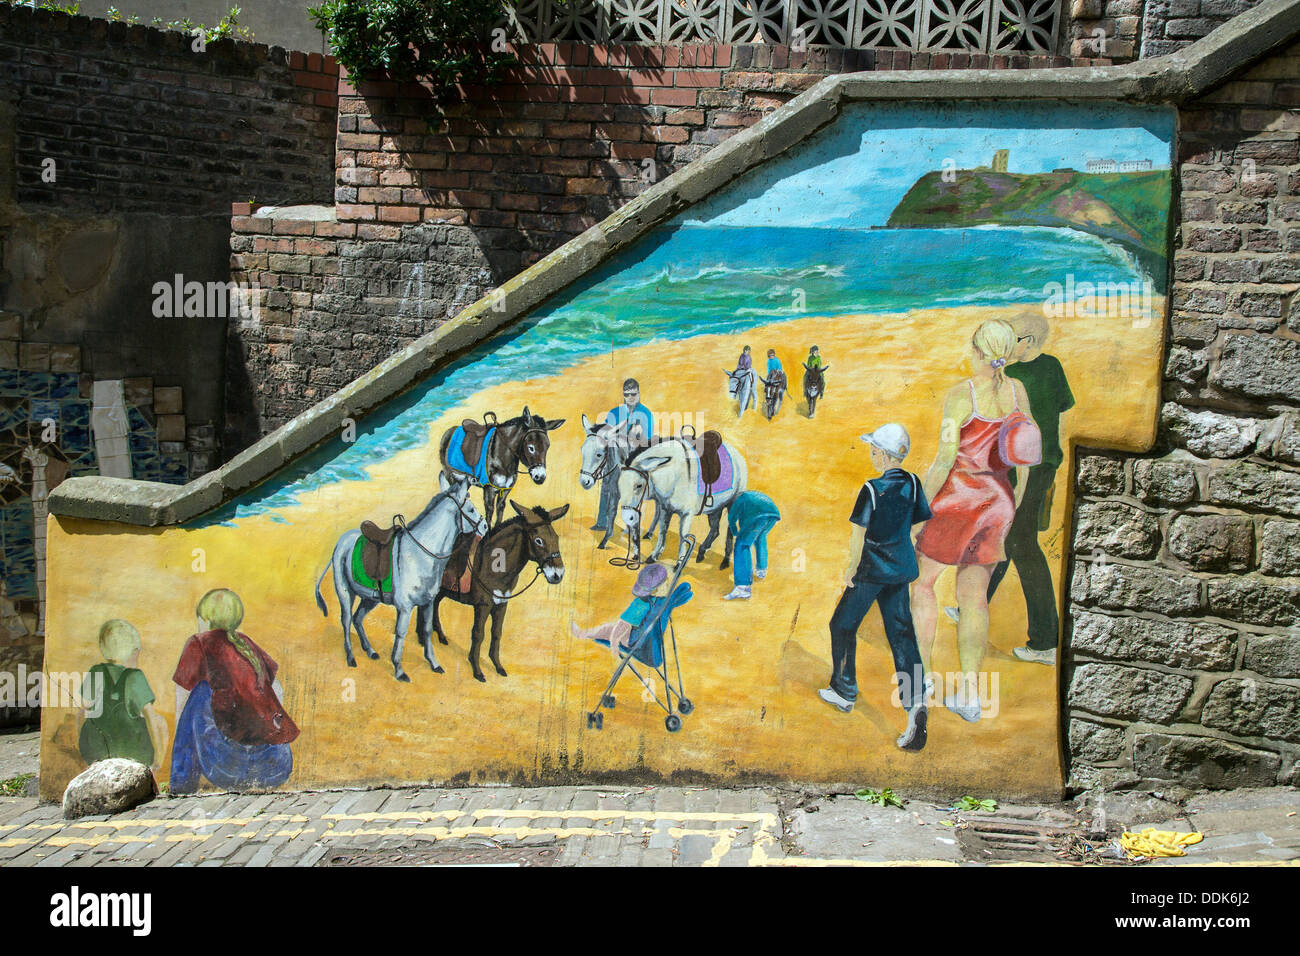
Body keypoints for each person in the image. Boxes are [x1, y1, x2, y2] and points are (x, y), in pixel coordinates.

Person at [911, 320, 1033, 723]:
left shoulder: (960, 396)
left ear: (979, 352)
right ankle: (969, 695)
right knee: (974, 599)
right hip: (999, 501)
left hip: (959, 501)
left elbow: (945, 460)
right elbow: (1027, 455)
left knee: (922, 583)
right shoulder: (1018, 393)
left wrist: (919, 508)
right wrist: (1015, 504)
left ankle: (922, 679)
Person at [946, 312, 1074, 666]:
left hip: (1034, 467)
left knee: (1021, 543)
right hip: (1029, 463)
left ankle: (1046, 639)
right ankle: (976, 600)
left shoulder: (1017, 378)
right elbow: (1060, 416)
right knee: (1007, 533)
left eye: (1013, 338)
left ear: (1029, 342)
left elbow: (1055, 419)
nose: (1007, 345)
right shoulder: (1048, 369)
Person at [818, 425, 932, 751]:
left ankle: (844, 690)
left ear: (883, 454)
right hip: (900, 569)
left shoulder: (870, 488)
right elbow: (919, 520)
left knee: (842, 624)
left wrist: (850, 569)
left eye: (873, 450)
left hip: (871, 570)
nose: (871, 455)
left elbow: (858, 535)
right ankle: (916, 704)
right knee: (902, 634)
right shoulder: (912, 483)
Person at [170, 588, 299, 794]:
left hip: (228, 768)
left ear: (205, 619)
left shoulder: (199, 643)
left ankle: (181, 786)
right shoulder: (245, 643)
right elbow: (276, 690)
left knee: (200, 693)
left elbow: (182, 705)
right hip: (275, 766)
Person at [77, 619, 167, 771]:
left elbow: (82, 710)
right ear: (132, 651)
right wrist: (157, 757)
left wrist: (84, 741)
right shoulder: (135, 677)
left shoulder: (95, 671)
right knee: (160, 721)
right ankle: (155, 766)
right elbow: (150, 717)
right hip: (133, 751)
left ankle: (89, 760)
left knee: (86, 714)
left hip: (96, 750)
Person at [571, 563, 670, 658]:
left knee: (607, 629)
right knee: (612, 629)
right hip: (650, 643)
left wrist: (614, 645)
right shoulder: (661, 602)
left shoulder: (640, 604)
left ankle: (582, 634)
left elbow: (621, 626)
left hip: (633, 641)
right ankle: (583, 633)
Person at [594, 378, 654, 534]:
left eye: (633, 394)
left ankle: (631, 524)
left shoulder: (646, 413)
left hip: (634, 458)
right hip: (615, 457)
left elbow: (645, 440)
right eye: (627, 395)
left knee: (633, 490)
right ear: (623, 395)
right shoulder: (614, 413)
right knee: (607, 485)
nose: (631, 397)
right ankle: (602, 522)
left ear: (639, 393)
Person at [723, 491, 781, 600]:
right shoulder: (751, 496)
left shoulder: (739, 499)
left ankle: (742, 587)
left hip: (758, 516)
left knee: (742, 545)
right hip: (773, 514)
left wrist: (736, 532)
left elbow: (732, 518)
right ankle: (761, 570)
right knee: (760, 538)